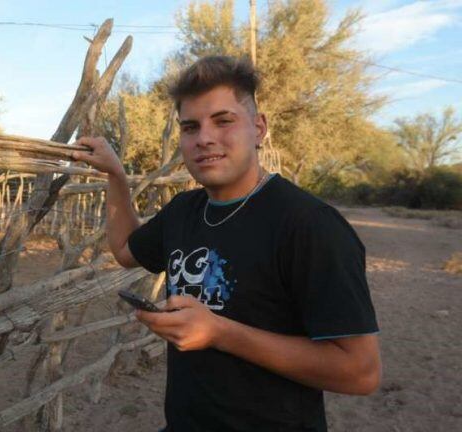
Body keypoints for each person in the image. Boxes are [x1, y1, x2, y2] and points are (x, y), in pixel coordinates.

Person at [71, 55, 381, 431]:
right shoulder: (184, 210)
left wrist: (220, 333)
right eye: (190, 127)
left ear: (259, 127)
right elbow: (124, 250)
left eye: (223, 120)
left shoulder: (308, 225)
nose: (204, 138)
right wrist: (115, 174)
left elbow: (360, 373)